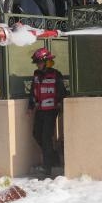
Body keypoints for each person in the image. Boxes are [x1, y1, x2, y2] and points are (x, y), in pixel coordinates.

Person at [28, 47, 68, 177]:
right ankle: (54, 157)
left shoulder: (56, 74)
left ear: (47, 62)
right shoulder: (36, 75)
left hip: (51, 111)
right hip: (40, 110)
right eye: (37, 63)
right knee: (36, 134)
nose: (38, 65)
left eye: (40, 62)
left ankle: (47, 168)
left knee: (46, 137)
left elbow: (62, 92)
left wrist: (60, 105)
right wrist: (30, 106)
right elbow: (32, 92)